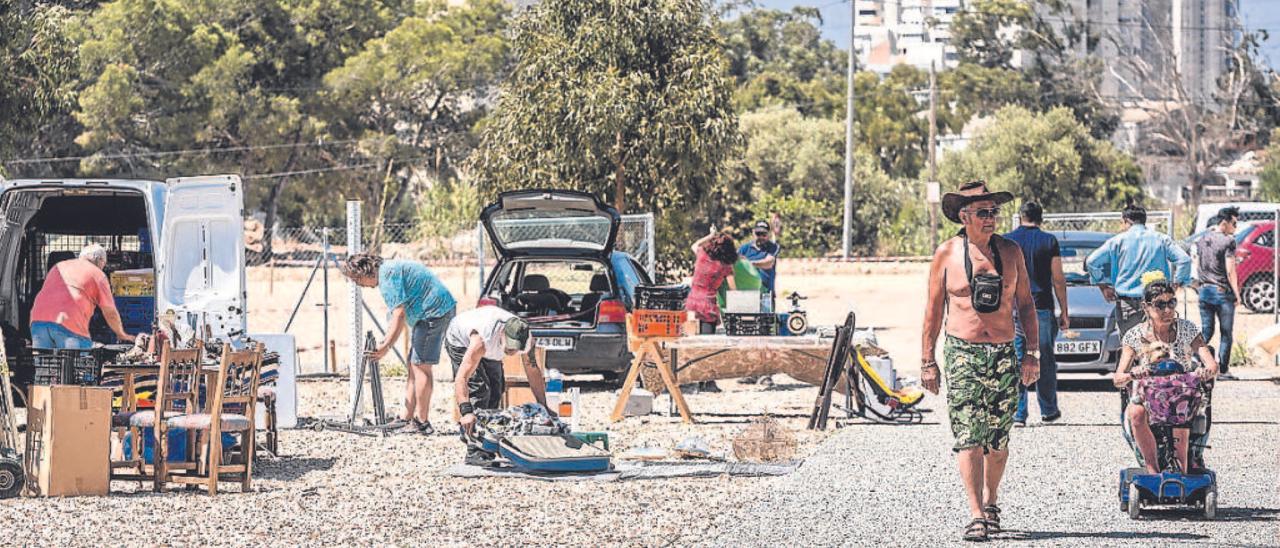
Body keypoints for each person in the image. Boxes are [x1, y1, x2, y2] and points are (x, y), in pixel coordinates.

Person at [921, 181, 1040, 542]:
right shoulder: (946, 254)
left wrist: (1031, 353)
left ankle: (991, 502)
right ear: (964, 215)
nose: (991, 219)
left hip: (1004, 353)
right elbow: (933, 309)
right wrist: (928, 359)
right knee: (968, 435)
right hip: (963, 354)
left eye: (994, 212)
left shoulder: (1012, 251)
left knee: (998, 439)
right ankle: (975, 514)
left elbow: (1025, 305)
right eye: (983, 213)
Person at [341, 253, 457, 435]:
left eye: (357, 279)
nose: (359, 285)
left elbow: (399, 314)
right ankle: (406, 418)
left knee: (420, 366)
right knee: (414, 364)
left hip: (434, 312)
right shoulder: (388, 271)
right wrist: (386, 342)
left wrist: (385, 346)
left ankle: (422, 422)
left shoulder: (387, 277)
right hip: (431, 312)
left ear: (364, 271)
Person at [1112, 277, 1218, 474]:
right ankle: (1152, 468)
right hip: (1148, 396)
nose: (1168, 310)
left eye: (1171, 303)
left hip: (1182, 392)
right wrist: (1132, 374)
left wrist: (1205, 370)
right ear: (1146, 307)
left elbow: (1211, 363)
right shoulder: (1134, 336)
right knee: (1136, 412)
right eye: (1160, 305)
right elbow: (1117, 378)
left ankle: (1181, 468)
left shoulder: (1188, 329)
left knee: (1180, 405)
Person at [445, 306, 543, 466]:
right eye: (510, 346)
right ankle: (474, 450)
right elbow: (461, 378)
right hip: (460, 340)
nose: (512, 351)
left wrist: (543, 406)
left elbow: (533, 372)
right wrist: (466, 412)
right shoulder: (482, 339)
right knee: (480, 389)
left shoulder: (527, 341)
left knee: (497, 389)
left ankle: (488, 442)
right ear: (502, 333)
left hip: (491, 348)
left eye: (516, 348)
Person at [1003, 202, 1068, 427]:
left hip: (1013, 308)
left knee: (1017, 359)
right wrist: (1064, 311)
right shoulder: (1049, 241)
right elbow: (1058, 278)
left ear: (1021, 217)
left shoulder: (1007, 241)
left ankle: (1018, 413)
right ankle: (1048, 410)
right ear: (1041, 218)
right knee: (1045, 360)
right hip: (1041, 306)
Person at [1086, 203, 1191, 339]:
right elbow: (1184, 260)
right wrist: (1175, 285)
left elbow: (1091, 262)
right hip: (1158, 303)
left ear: (1126, 221)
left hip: (1128, 305)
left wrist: (1103, 286)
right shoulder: (1161, 239)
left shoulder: (1117, 242)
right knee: (1158, 346)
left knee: (1131, 349)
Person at [30, 244, 135, 349]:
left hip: (38, 320)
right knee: (76, 361)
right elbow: (110, 312)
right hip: (68, 322)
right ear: (99, 260)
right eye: (104, 264)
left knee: (43, 363)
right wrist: (121, 334)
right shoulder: (97, 274)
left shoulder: (58, 266)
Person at [1195, 207, 1241, 380]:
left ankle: (1196, 359)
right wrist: (1237, 294)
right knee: (1226, 333)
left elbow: (1198, 263)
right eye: (1234, 223)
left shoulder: (1203, 238)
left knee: (1207, 330)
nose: (1235, 228)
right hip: (1221, 291)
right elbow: (1231, 271)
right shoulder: (1228, 241)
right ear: (1225, 222)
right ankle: (1223, 370)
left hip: (1204, 290)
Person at [739, 216, 781, 387]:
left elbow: (768, 263)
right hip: (748, 295)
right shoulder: (744, 248)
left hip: (765, 295)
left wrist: (749, 263)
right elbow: (735, 264)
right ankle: (751, 371)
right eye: (758, 233)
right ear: (753, 233)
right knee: (748, 334)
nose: (761, 237)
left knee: (765, 333)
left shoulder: (773, 247)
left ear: (768, 234)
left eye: (764, 234)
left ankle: (766, 373)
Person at [685, 230, 738, 334]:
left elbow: (694, 245)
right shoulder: (726, 266)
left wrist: (710, 235)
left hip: (693, 298)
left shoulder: (702, 254)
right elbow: (733, 289)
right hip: (707, 302)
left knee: (694, 335)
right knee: (707, 338)